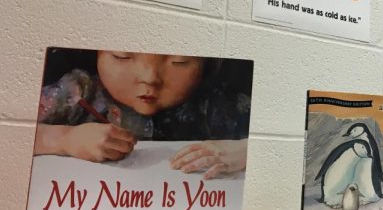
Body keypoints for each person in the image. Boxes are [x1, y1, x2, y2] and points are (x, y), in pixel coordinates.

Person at [34, 50, 250, 179]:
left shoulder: (215, 102)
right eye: (123, 57)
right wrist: (65, 139)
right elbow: (10, 136)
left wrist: (244, 151)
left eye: (179, 61)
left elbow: (276, 145)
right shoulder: (79, 91)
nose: (149, 78)